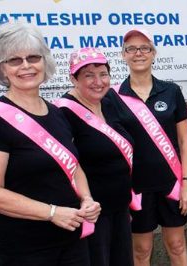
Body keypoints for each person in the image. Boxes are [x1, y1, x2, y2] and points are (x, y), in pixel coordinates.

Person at [0, 21, 100, 265]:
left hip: (72, 240)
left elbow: (74, 167)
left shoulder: (56, 113)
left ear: (45, 62)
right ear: (1, 68)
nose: (26, 66)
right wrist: (51, 213)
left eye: (33, 57)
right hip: (23, 248)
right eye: (14, 60)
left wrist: (87, 199)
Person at [107, 28, 187, 266]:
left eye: (144, 48)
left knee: (177, 245)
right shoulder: (112, 97)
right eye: (131, 49)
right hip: (136, 187)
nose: (138, 53)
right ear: (123, 55)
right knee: (141, 250)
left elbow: (185, 142)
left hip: (171, 183)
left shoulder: (172, 91)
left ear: (153, 53)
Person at [55, 47, 134, 266]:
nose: (98, 82)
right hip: (91, 212)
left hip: (119, 206)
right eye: (88, 75)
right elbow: (66, 165)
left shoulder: (109, 102)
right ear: (73, 78)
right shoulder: (64, 112)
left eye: (103, 74)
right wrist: (85, 201)